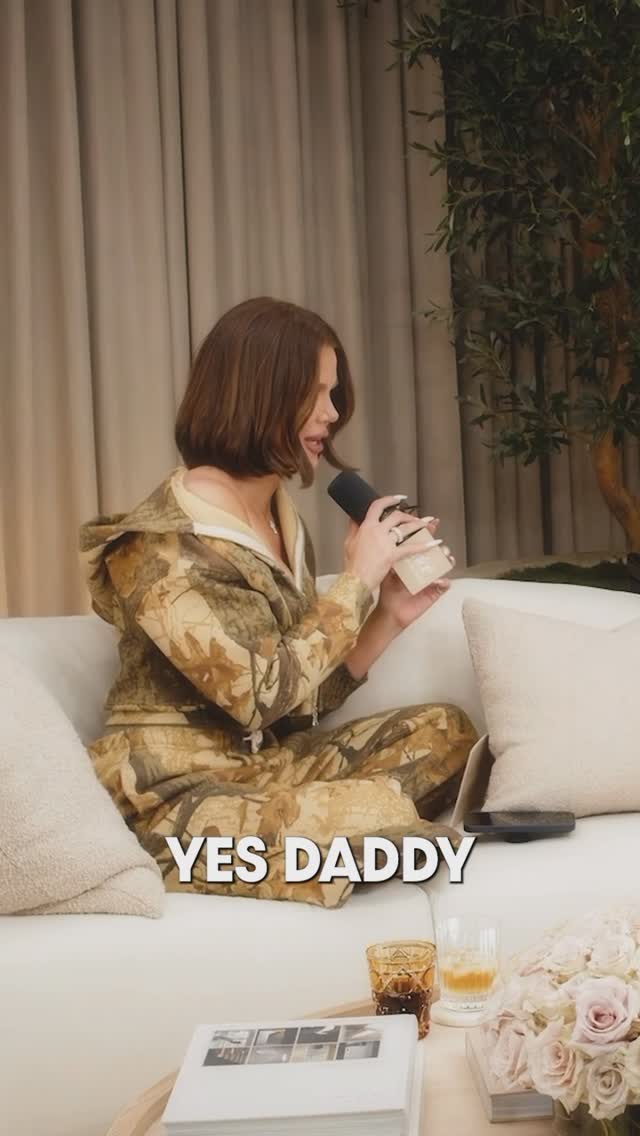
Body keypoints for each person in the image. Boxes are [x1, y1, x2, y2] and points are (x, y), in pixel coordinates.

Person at [80, 297, 477, 908]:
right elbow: (256, 697)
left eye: (333, 394)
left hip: (263, 769)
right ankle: (348, 833)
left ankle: (343, 834)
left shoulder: (278, 523)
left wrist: (386, 616)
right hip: (172, 798)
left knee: (446, 733)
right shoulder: (161, 544)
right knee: (370, 812)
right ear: (258, 394)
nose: (332, 413)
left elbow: (290, 713)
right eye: (315, 394)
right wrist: (356, 581)